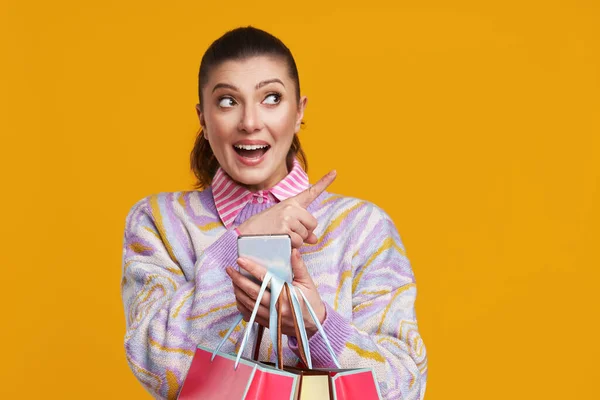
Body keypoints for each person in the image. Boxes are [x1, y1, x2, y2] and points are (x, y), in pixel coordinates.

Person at [121, 26, 427, 400]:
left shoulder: (361, 227)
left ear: (299, 112)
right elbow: (152, 362)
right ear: (202, 119)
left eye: (271, 97)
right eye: (228, 101)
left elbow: (408, 383)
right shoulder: (160, 222)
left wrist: (315, 328)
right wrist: (240, 241)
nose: (250, 121)